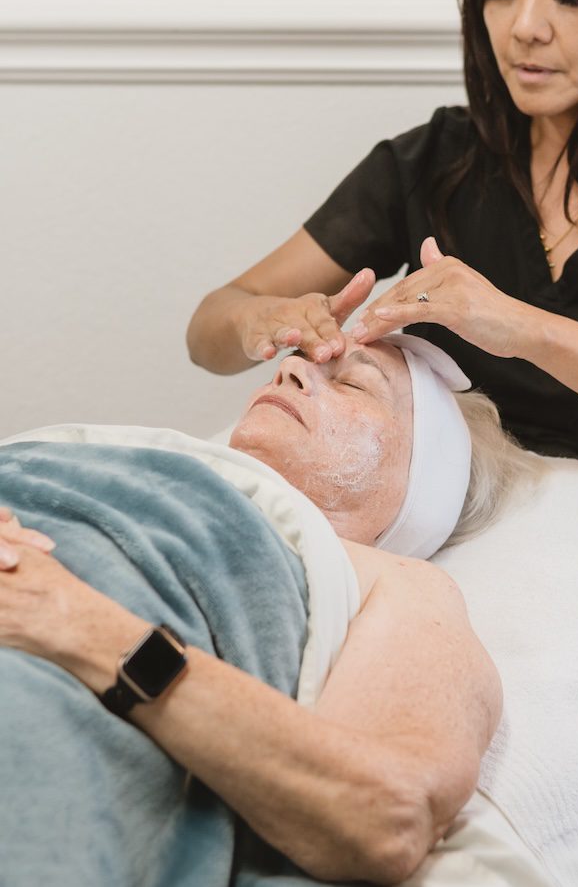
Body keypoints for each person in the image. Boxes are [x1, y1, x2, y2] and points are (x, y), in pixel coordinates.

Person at [185, 0, 578, 885]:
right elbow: (213, 316)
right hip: (475, 550)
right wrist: (271, 317)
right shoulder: (435, 161)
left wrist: (522, 327)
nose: (525, 28)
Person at [0, 335, 519, 885]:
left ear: (419, 481)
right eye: (296, 362)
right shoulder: (93, 453)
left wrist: (75, 623)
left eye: (352, 382)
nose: (290, 371)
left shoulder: (399, 583)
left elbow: (388, 815)